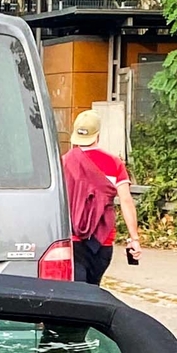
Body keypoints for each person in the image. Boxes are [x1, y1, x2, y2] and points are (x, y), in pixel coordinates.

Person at [61, 109, 142, 285]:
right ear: (97, 134)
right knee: (93, 288)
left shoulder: (65, 162)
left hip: (71, 239)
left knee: (76, 291)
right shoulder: (114, 163)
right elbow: (126, 202)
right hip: (102, 241)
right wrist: (134, 239)